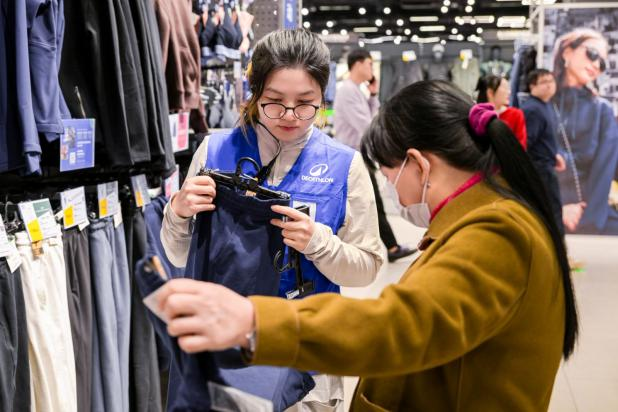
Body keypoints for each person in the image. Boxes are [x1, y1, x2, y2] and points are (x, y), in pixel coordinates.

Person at [154, 81, 579, 411]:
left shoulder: (496, 233)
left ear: (419, 164)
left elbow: (400, 324)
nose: (391, 187)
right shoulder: (484, 220)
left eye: (389, 174)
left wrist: (256, 321)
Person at [161, 29, 383, 411]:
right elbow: (177, 255)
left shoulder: (345, 166)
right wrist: (178, 213)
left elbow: (367, 268)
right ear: (255, 94)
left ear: (323, 97)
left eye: (306, 103)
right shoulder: (214, 151)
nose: (290, 116)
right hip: (223, 356)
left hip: (307, 365)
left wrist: (318, 243)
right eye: (275, 102)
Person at [333, 48, 415, 262]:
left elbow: (371, 119)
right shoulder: (347, 91)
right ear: (358, 63)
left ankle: (391, 247)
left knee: (369, 203)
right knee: (371, 203)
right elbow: (367, 126)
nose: (372, 69)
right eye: (370, 64)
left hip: (358, 156)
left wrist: (373, 95)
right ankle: (392, 247)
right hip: (352, 158)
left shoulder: (356, 90)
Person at [552, 28, 618, 234]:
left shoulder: (602, 111)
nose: (597, 65)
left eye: (603, 63)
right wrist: (557, 209)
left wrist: (586, 220)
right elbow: (526, 166)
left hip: (590, 215)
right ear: (567, 52)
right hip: (544, 209)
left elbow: (604, 171)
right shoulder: (536, 106)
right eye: (592, 54)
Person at [521, 69, 567, 234]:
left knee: (552, 210)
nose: (549, 85)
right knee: (551, 211)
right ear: (532, 86)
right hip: (540, 169)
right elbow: (527, 142)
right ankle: (557, 247)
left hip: (546, 165)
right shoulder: (533, 109)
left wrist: (554, 154)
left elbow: (542, 138)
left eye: (551, 81)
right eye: (544, 82)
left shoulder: (545, 105)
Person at [476, 75, 528, 149]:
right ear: (490, 92)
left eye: (508, 88)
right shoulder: (477, 115)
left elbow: (521, 147)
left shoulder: (516, 114)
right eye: (505, 88)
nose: (509, 92)